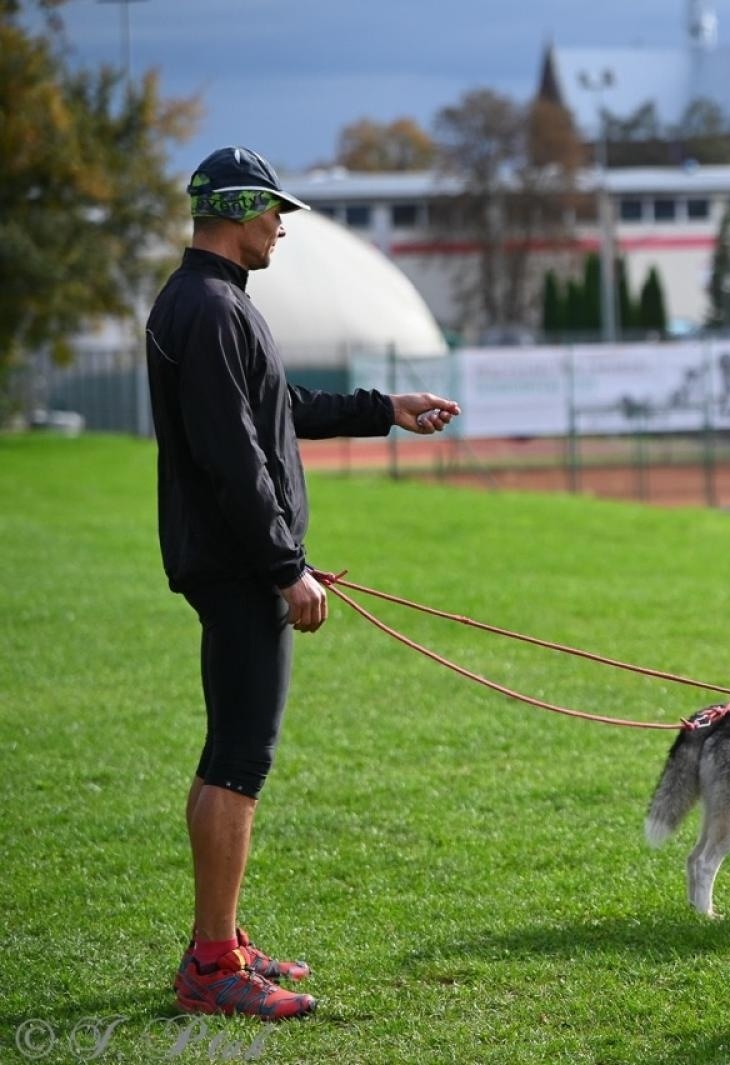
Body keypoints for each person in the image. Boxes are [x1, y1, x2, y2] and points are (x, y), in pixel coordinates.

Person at [146, 146, 461, 1020]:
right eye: (273, 211)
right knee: (239, 761)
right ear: (239, 209)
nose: (281, 226)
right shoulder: (208, 309)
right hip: (243, 568)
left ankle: (223, 941)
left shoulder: (213, 305)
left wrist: (383, 409)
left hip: (239, 562)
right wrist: (285, 565)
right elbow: (232, 457)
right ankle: (213, 965)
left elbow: (277, 410)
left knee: (232, 755)